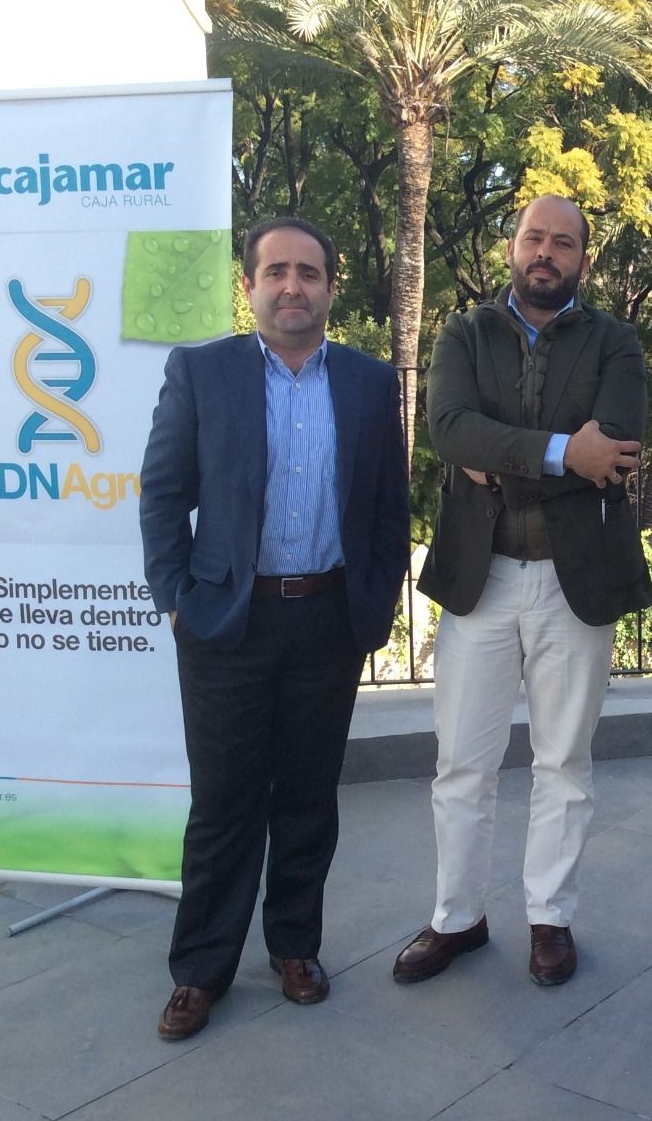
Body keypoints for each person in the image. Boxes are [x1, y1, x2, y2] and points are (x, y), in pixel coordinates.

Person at [140, 217, 410, 1039]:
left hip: (327, 620)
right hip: (228, 623)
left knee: (306, 798)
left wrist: (374, 602)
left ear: (331, 286)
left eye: (309, 272)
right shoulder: (202, 371)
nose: (292, 285)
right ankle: (200, 970)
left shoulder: (367, 382)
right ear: (249, 284)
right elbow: (161, 492)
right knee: (223, 804)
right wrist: (178, 596)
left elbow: (388, 509)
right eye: (276, 271)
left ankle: (294, 945)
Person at [395, 194, 652, 988]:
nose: (547, 252)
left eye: (564, 242)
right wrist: (557, 453)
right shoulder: (462, 334)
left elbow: (612, 451)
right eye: (535, 237)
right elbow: (449, 428)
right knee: (461, 764)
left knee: (564, 763)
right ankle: (457, 919)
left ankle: (551, 919)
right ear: (513, 246)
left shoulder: (616, 342)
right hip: (483, 578)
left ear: (583, 257)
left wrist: (501, 458)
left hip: (577, 582)